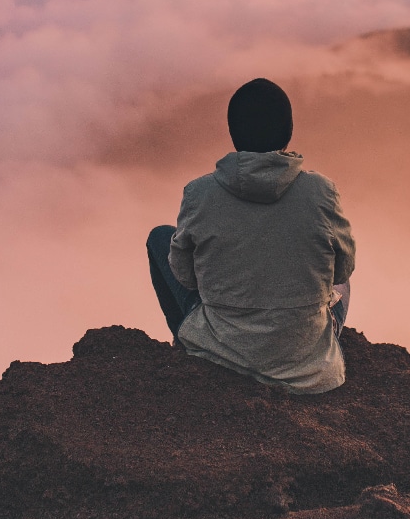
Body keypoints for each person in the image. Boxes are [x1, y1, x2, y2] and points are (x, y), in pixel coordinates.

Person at [146, 78, 355, 393]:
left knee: (160, 238)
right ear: (288, 133)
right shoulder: (321, 191)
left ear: (234, 134)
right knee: (342, 285)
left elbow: (186, 278)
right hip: (305, 362)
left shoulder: (199, 192)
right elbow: (342, 269)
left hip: (221, 348)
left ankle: (188, 345)